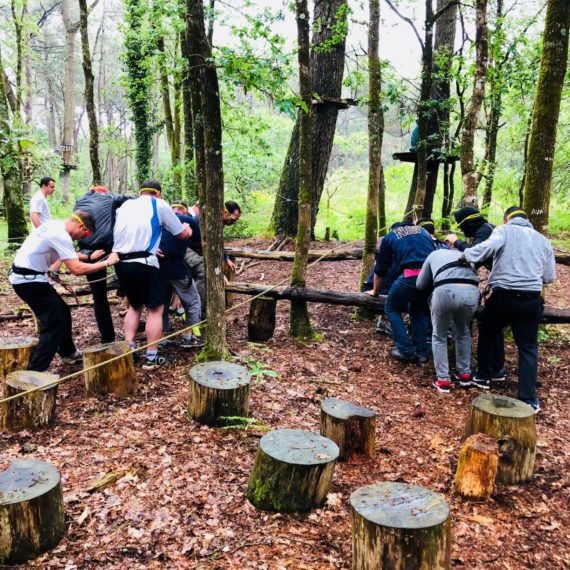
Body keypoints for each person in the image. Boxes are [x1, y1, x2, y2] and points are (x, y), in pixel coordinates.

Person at [461, 207, 556, 413]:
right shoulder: (543, 240)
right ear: (527, 219)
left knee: (488, 331)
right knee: (528, 347)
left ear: (507, 219)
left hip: (503, 296)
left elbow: (484, 249)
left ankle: (484, 376)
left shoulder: (503, 231)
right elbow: (549, 277)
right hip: (531, 300)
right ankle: (528, 398)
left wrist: (465, 253)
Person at [9, 211, 119, 371]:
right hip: (28, 282)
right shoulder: (61, 235)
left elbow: (66, 252)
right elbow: (76, 269)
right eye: (85, 233)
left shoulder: (55, 225)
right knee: (55, 324)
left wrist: (88, 258)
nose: (82, 238)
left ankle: (68, 352)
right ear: (81, 225)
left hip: (30, 278)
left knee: (63, 311)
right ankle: (34, 372)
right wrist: (107, 263)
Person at [113, 180, 191, 369]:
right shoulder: (159, 204)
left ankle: (129, 350)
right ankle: (151, 356)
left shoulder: (124, 206)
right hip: (146, 263)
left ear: (141, 192)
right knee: (156, 309)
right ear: (158, 193)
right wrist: (188, 230)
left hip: (121, 262)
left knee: (134, 306)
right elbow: (180, 234)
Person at [365, 221, 435, 362]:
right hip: (430, 275)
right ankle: (421, 353)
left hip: (410, 274)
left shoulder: (390, 237)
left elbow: (380, 269)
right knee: (417, 309)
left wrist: (375, 290)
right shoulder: (424, 232)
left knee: (391, 307)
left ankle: (405, 350)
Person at [417, 247, 480, 393]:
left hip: (445, 291)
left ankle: (443, 379)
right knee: (463, 332)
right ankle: (464, 374)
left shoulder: (433, 254)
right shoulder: (466, 254)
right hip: (471, 292)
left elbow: (420, 284)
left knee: (439, 336)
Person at [74, 185, 131, 344]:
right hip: (110, 247)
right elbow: (133, 199)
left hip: (87, 251)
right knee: (128, 283)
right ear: (104, 192)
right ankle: (133, 324)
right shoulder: (109, 198)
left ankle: (107, 338)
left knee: (99, 296)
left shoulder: (80, 201)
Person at [184, 200, 242, 314]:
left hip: (198, 253)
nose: (234, 222)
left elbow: (217, 243)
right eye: (234, 219)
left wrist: (226, 258)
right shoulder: (206, 222)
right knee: (204, 275)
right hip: (188, 252)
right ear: (225, 213)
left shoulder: (219, 225)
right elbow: (210, 247)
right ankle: (196, 312)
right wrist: (219, 273)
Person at [159, 200, 203, 348]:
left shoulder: (158, 221)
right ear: (184, 211)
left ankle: (161, 338)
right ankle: (188, 336)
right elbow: (198, 240)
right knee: (193, 302)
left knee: (161, 305)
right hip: (176, 269)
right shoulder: (187, 220)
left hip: (157, 268)